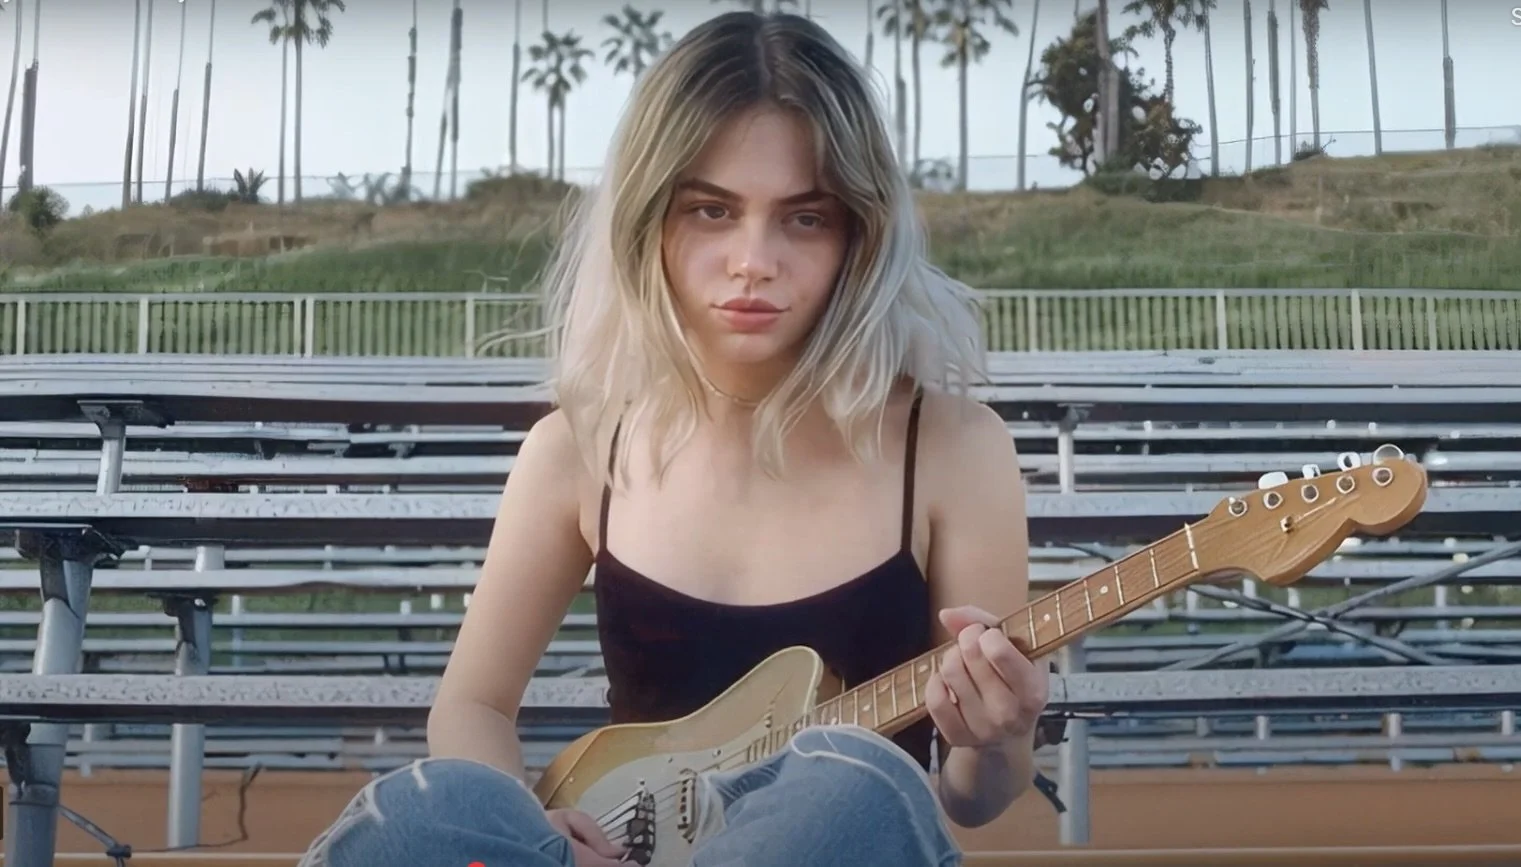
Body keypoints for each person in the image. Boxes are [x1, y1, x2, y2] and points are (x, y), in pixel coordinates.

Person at [299, 10, 1050, 867]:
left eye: (805, 218)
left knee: (851, 788)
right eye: (710, 210)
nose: (752, 259)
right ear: (647, 218)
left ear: (859, 235)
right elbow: (470, 706)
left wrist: (992, 738)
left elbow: (974, 799)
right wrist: (538, 829)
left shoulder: (953, 448)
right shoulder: (577, 450)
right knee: (431, 810)